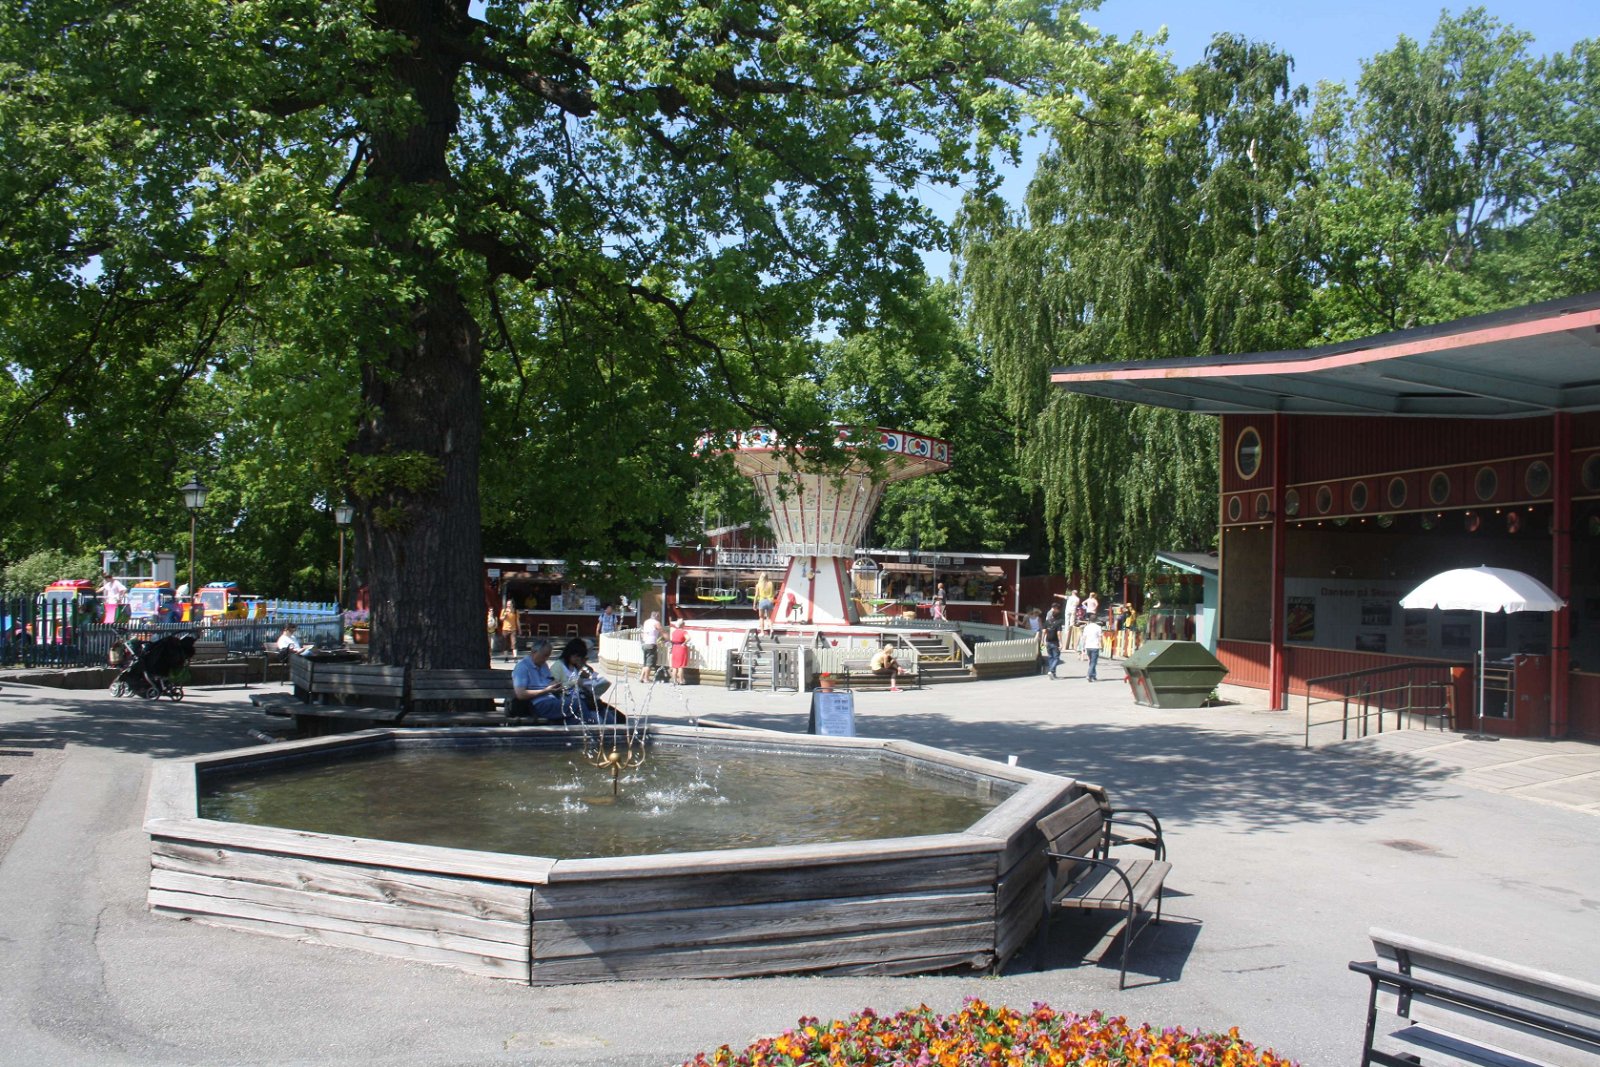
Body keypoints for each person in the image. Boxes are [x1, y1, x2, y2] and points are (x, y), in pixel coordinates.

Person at [550, 637, 615, 723]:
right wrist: (573, 683)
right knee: (597, 720)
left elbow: (591, 675)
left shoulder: (577, 665)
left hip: (586, 699)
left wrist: (584, 667)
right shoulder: (557, 666)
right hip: (572, 702)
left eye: (580, 657)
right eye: (576, 656)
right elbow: (554, 687)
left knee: (611, 718)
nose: (578, 659)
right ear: (570, 653)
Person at [511, 638, 563, 721]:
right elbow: (520, 694)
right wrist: (546, 691)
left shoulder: (543, 665)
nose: (546, 658)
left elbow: (549, 681)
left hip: (551, 700)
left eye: (548, 656)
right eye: (544, 655)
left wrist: (555, 685)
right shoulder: (522, 667)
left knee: (577, 704)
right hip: (536, 705)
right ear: (534, 652)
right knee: (575, 705)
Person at [637, 611, 663, 683]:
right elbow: (662, 631)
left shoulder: (646, 622)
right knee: (649, 663)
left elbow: (643, 632)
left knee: (645, 663)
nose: (659, 618)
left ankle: (641, 677)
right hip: (651, 644)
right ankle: (646, 678)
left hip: (645, 643)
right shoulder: (656, 623)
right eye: (659, 616)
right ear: (656, 616)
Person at [1081, 614, 1105, 682]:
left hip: (1088, 646)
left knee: (1091, 661)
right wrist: (1101, 646)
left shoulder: (1086, 627)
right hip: (1095, 646)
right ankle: (1089, 674)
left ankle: (1093, 675)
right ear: (1096, 620)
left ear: (1089, 620)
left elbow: (1084, 637)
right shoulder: (1098, 627)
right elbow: (1100, 638)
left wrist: (1083, 646)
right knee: (1093, 662)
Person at [668, 615, 690, 684]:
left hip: (675, 647)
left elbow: (672, 640)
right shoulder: (684, 632)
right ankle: (681, 680)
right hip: (681, 648)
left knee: (675, 666)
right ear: (682, 625)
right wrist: (684, 643)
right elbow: (688, 638)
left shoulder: (674, 632)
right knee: (681, 666)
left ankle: (674, 680)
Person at [1042, 607, 1062, 679]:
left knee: (1050, 657)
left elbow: (1044, 631)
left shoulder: (1047, 622)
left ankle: (1053, 674)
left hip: (1048, 641)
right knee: (1056, 658)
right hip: (1055, 642)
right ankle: (1051, 670)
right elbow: (1059, 633)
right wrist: (1061, 643)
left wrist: (1042, 640)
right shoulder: (1058, 622)